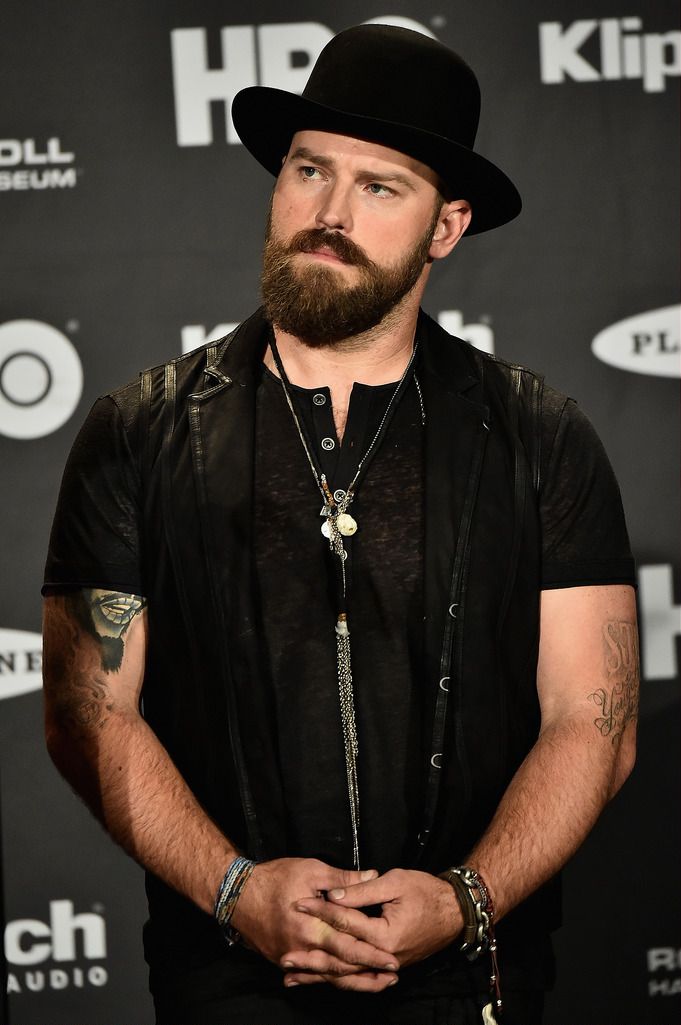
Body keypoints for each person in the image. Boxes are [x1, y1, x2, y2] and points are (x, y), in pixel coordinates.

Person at [42, 24, 639, 1025]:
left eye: (379, 186)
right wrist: (238, 890)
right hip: (228, 978)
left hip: (472, 982)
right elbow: (87, 710)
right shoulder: (138, 433)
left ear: (446, 228)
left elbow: (597, 717)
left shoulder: (540, 436)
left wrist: (465, 900)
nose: (326, 213)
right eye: (309, 169)